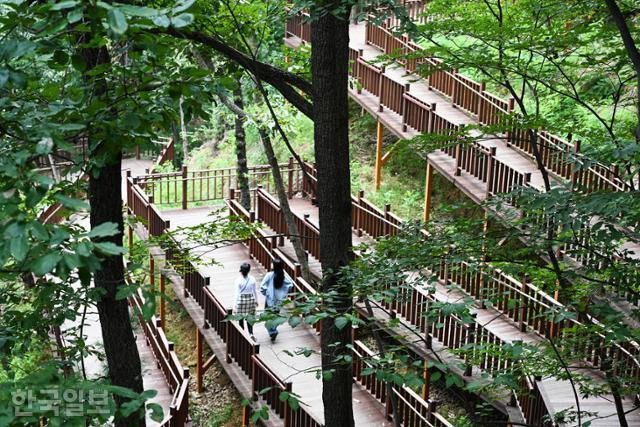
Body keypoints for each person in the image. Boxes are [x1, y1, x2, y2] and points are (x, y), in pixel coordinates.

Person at [260, 258, 294, 342]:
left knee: (267, 316)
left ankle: (272, 331)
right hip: (279, 301)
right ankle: (273, 329)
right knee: (275, 315)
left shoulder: (269, 275)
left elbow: (262, 287)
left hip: (270, 300)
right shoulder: (283, 275)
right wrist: (284, 293)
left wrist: (266, 293)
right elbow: (290, 284)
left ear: (274, 266)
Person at [234, 262, 258, 339]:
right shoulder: (252, 279)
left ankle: (242, 334)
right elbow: (255, 291)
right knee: (250, 317)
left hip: (241, 300)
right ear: (249, 270)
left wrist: (235, 305)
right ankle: (251, 333)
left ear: (241, 271)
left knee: (241, 318)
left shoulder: (238, 280)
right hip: (251, 299)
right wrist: (256, 300)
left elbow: (237, 293)